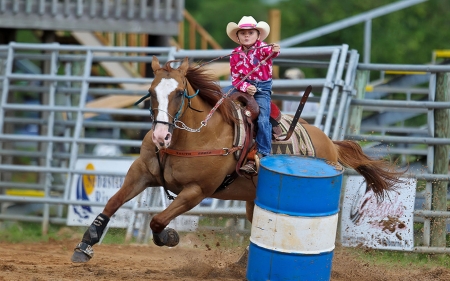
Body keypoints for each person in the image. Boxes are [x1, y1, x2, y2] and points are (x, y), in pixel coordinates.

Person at [226, 15, 280, 174]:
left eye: (250, 32)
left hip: (262, 88)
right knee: (221, 105)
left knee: (263, 119)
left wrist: (275, 49)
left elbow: (273, 52)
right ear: (238, 36)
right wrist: (245, 86)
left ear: (258, 35)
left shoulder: (263, 48)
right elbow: (235, 78)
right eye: (243, 33)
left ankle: (264, 152)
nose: (247, 35)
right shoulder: (234, 54)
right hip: (242, 88)